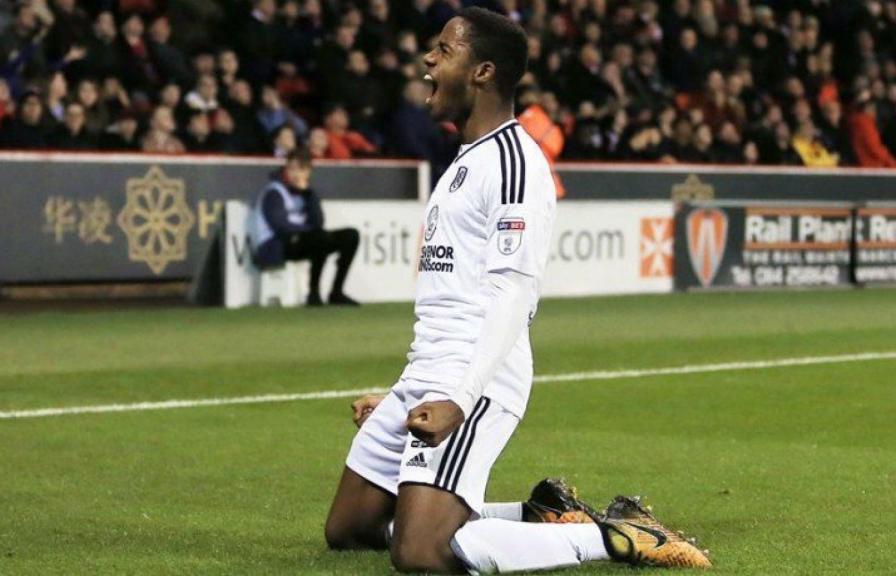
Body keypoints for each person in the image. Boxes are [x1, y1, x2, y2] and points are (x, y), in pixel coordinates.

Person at [323, 8, 711, 574]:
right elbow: (455, 295)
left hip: (476, 378)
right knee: (350, 529)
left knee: (420, 552)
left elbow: (511, 294)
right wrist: (403, 391)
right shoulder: (465, 159)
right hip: (427, 372)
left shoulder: (513, 161)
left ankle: (613, 537)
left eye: (444, 50)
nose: (428, 60)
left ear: (482, 72)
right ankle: (540, 511)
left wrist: (457, 396)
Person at [250, 146, 360, 307]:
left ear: (308, 172)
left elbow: (318, 222)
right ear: (286, 169)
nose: (296, 174)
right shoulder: (274, 192)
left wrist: (309, 194)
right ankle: (313, 293)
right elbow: (280, 226)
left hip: (302, 241)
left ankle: (336, 291)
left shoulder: (306, 193)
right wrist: (309, 231)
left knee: (350, 236)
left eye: (301, 169)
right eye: (292, 168)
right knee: (319, 237)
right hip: (274, 246)